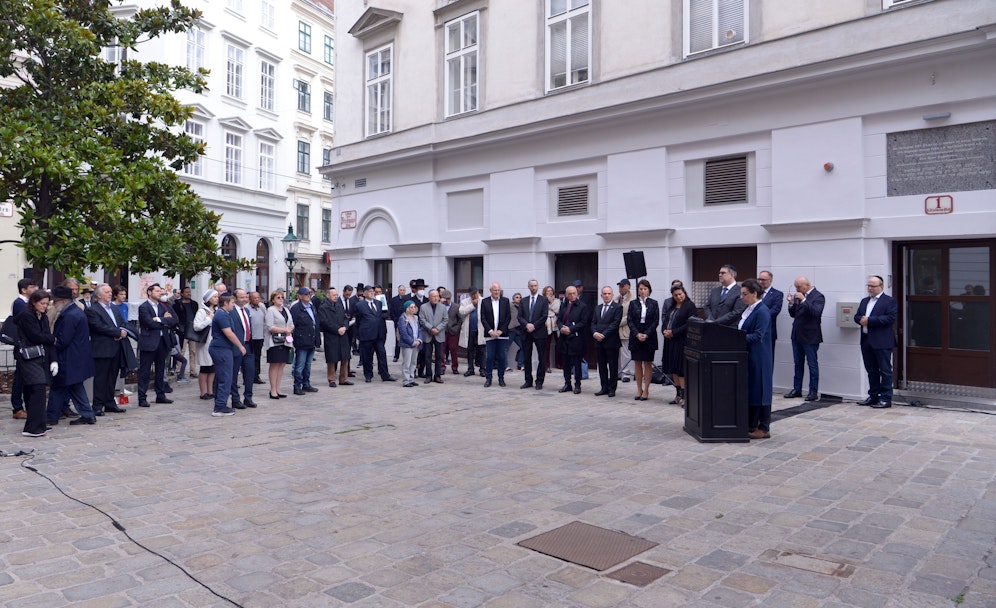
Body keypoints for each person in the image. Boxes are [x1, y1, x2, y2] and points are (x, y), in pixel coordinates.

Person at [48, 285, 97, 426]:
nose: (53, 304)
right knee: (74, 387)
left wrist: (51, 344)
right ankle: (87, 414)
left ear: (62, 301)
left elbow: (63, 340)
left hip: (69, 358)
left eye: (54, 301)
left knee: (58, 387)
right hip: (75, 357)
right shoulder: (74, 312)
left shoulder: (69, 315)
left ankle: (51, 416)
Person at [15, 290, 56, 437]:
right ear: (34, 302)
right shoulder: (27, 316)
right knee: (38, 387)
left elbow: (45, 335)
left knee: (37, 388)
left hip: (39, 355)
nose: (45, 306)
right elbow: (36, 336)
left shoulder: (42, 316)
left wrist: (53, 359)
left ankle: (39, 423)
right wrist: (50, 338)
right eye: (42, 303)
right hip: (27, 356)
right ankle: (32, 427)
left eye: (47, 303)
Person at [86, 283, 132, 417]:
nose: (110, 294)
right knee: (101, 378)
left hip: (116, 347)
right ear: (99, 295)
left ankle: (110, 402)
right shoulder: (93, 310)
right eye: (106, 292)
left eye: (110, 291)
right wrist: (117, 332)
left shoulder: (114, 309)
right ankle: (98, 405)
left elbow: (122, 323)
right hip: (102, 348)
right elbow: (98, 326)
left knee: (112, 377)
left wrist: (123, 330)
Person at [738, 279, 774, 439]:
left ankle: (763, 427)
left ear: (754, 293)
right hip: (749, 355)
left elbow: (758, 335)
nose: (742, 297)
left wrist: (737, 338)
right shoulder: (749, 309)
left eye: (745, 294)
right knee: (752, 390)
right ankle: (751, 423)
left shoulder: (762, 311)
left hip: (759, 356)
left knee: (761, 390)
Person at [855, 275, 898, 409]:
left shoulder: (889, 301)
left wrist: (870, 321)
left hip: (882, 341)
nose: (870, 288)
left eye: (873, 286)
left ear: (881, 286)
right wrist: (860, 320)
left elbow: (890, 318)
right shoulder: (864, 301)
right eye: (868, 285)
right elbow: (857, 316)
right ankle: (873, 396)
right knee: (871, 370)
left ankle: (885, 398)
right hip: (866, 340)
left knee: (885, 370)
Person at [137, 283, 178, 407]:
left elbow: (174, 320)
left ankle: (160, 395)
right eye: (157, 291)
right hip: (149, 342)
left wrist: (159, 319)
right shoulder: (143, 307)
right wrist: (163, 320)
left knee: (161, 370)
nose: (160, 293)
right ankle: (142, 397)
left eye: (160, 291)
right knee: (145, 371)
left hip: (163, 341)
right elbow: (149, 323)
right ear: (149, 292)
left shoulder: (164, 306)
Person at [785, 275, 825, 401]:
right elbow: (794, 314)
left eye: (798, 286)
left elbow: (816, 312)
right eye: (796, 287)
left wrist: (803, 301)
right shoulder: (799, 295)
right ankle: (797, 389)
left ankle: (813, 391)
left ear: (806, 285)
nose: (797, 289)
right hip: (797, 334)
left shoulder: (818, 296)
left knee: (812, 364)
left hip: (810, 336)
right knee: (798, 363)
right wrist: (791, 304)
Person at [209, 294, 244, 416]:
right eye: (232, 302)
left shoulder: (223, 314)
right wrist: (240, 346)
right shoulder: (222, 315)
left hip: (223, 348)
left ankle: (220, 403)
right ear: (225, 303)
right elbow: (228, 333)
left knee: (222, 377)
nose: (234, 305)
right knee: (225, 377)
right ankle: (220, 407)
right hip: (221, 349)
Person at [661, 284, 696, 406]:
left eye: (680, 294)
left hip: (681, 341)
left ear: (684, 293)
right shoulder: (672, 306)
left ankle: (685, 396)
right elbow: (666, 320)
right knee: (673, 368)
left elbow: (690, 323)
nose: (678, 297)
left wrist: (674, 332)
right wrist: (664, 330)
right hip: (670, 341)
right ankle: (678, 394)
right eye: (675, 295)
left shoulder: (689, 306)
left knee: (681, 369)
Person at [355, 284, 396, 383]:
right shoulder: (359, 305)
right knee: (367, 356)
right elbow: (358, 320)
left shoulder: (378, 303)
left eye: (373, 292)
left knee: (382, 354)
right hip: (367, 334)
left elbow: (384, 314)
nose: (372, 293)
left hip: (379, 333)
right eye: (370, 291)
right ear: (364, 293)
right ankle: (368, 375)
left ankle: (385, 374)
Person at [627, 279, 659, 401]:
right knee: (637, 362)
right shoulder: (633, 303)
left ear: (649, 290)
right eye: (640, 289)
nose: (643, 291)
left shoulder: (654, 303)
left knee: (647, 363)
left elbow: (655, 321)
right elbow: (630, 320)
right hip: (636, 336)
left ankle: (646, 389)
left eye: (645, 289)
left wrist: (646, 334)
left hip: (649, 336)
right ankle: (639, 388)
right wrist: (636, 333)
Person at [10, 278, 37, 420]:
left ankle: (27, 406)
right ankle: (17, 407)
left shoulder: (26, 303)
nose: (35, 289)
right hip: (22, 347)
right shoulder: (20, 304)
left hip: (28, 346)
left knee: (26, 378)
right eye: (32, 287)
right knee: (20, 379)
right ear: (24, 290)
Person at [591, 285, 623, 397]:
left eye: (609, 293)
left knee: (613, 366)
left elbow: (615, 324)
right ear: (601, 295)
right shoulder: (597, 308)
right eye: (604, 294)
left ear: (612, 295)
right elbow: (593, 322)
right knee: (602, 366)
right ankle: (604, 387)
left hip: (611, 342)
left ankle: (612, 388)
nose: (607, 296)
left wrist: (603, 334)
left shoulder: (617, 307)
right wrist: (595, 333)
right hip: (599, 342)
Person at [518, 279, 550, 390]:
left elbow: (544, 315)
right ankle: (528, 380)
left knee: (542, 357)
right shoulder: (523, 301)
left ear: (538, 287)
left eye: (535, 286)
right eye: (531, 286)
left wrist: (534, 325)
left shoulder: (544, 300)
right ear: (528, 287)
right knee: (527, 357)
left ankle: (539, 381)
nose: (533, 288)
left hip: (539, 332)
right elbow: (519, 316)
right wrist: (527, 325)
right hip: (526, 332)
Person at [557, 285, 588, 394]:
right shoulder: (563, 305)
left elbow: (584, 322)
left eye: (574, 293)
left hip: (576, 339)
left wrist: (571, 329)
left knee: (577, 363)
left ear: (577, 293)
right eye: (569, 294)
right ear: (566, 295)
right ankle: (567, 383)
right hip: (564, 338)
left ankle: (577, 384)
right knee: (565, 363)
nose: (572, 295)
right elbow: (559, 320)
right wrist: (562, 328)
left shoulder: (582, 306)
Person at [318, 287, 351, 387]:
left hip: (343, 334)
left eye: (337, 295)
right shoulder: (323, 307)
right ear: (328, 295)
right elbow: (325, 323)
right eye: (334, 295)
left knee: (345, 357)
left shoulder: (339, 306)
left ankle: (343, 378)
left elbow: (346, 318)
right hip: (332, 335)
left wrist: (345, 327)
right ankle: (332, 379)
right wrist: (337, 329)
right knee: (332, 358)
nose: (336, 297)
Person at [290, 287, 321, 395]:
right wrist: (294, 340)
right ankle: (297, 386)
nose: (308, 295)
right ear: (300, 296)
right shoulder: (296, 308)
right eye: (305, 294)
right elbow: (292, 325)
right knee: (300, 365)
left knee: (308, 365)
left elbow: (315, 323)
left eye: (309, 294)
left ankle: (306, 384)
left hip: (311, 340)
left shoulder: (311, 307)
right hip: (301, 340)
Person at [229, 289, 256, 409]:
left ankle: (248, 397)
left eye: (246, 297)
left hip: (248, 345)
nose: (245, 299)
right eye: (242, 297)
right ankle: (235, 399)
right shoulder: (231, 311)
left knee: (250, 372)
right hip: (236, 346)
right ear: (235, 298)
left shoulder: (246, 310)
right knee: (234, 374)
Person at [264, 290, 294, 399]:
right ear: (273, 300)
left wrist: (290, 329)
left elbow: (291, 323)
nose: (281, 299)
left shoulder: (286, 310)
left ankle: (278, 388)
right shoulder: (271, 310)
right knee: (274, 364)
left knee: (282, 364)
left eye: (282, 297)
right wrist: (284, 329)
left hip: (285, 340)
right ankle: (272, 390)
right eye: (278, 297)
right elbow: (270, 326)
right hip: (274, 341)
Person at [481, 282, 512, 387]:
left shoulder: (505, 301)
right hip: (490, 334)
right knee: (490, 357)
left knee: (502, 357)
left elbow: (508, 317)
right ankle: (488, 378)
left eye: (498, 290)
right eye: (495, 290)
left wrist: (500, 331)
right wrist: (490, 331)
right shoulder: (485, 302)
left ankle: (501, 378)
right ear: (491, 291)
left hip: (502, 335)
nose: (497, 292)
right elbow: (483, 318)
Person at [193, 290, 218, 401]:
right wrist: (208, 319)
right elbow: (197, 326)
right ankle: (203, 392)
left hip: (215, 342)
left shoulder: (217, 310)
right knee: (205, 367)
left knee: (212, 368)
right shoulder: (202, 311)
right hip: (205, 343)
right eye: (214, 297)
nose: (217, 298)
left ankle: (210, 390)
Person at [418, 289, 447, 384]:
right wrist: (431, 328)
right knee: (427, 356)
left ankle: (437, 376)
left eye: (437, 296)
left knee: (439, 356)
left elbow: (445, 320)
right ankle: (428, 375)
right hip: (428, 334)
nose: (436, 298)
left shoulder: (442, 307)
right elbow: (422, 320)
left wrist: (437, 329)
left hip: (439, 334)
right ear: (429, 297)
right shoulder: (423, 307)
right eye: (434, 296)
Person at [757, 270, 783, 362]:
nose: (760, 282)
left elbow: (775, 310)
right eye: (759, 279)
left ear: (770, 280)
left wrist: (759, 316)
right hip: (755, 331)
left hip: (768, 331)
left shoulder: (777, 294)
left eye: (763, 279)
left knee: (768, 359)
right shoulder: (755, 293)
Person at [458, 288, 484, 377]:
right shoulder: (465, 301)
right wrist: (472, 305)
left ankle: (482, 369)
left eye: (476, 294)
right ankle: (470, 368)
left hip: (480, 329)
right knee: (470, 350)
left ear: (478, 293)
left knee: (482, 350)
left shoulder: (483, 301)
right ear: (469, 294)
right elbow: (462, 312)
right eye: (472, 294)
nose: (474, 296)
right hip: (469, 329)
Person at [398, 300, 422, 387]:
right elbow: (403, 333)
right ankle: (406, 380)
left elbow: (419, 329)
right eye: (411, 307)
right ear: (407, 308)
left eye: (414, 307)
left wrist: (419, 340)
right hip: (408, 344)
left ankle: (411, 378)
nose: (413, 309)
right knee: (406, 363)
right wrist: (411, 342)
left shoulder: (415, 318)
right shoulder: (403, 318)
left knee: (413, 362)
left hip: (416, 343)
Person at [248, 291, 267, 384]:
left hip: (260, 336)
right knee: (249, 357)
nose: (256, 299)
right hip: (250, 337)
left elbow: (265, 319)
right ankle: (248, 376)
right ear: (250, 299)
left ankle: (256, 375)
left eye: (258, 297)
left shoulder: (262, 307)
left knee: (257, 357)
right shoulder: (247, 308)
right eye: (254, 298)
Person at [543, 285, 561, 375]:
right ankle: (547, 366)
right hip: (546, 324)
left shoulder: (557, 301)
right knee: (547, 346)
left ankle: (559, 363)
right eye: (547, 291)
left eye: (551, 291)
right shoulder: (542, 301)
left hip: (555, 323)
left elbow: (558, 310)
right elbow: (543, 312)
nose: (549, 293)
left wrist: (551, 302)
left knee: (559, 344)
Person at [445, 290, 463, 375]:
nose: (447, 300)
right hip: (443, 331)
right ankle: (442, 366)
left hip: (453, 331)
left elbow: (460, 319)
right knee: (442, 350)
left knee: (453, 349)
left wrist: (457, 328)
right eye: (445, 299)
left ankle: (455, 367)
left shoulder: (456, 306)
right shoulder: (440, 306)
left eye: (448, 299)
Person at [389, 284, 408, 362]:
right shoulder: (393, 300)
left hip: (406, 322)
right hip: (397, 322)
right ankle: (396, 356)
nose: (402, 291)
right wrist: (396, 320)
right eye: (401, 290)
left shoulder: (407, 299)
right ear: (398, 291)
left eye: (403, 290)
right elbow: (391, 311)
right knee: (398, 339)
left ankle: (406, 357)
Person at [508, 293, 524, 371]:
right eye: (517, 297)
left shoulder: (522, 307)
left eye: (520, 297)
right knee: (506, 348)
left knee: (523, 347)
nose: (519, 298)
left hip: (519, 330)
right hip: (511, 329)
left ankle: (519, 365)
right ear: (513, 299)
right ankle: (504, 365)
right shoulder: (510, 306)